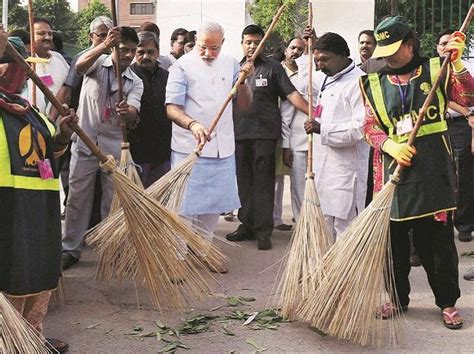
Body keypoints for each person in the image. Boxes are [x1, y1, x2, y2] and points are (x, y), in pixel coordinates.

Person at [360, 16, 474, 329]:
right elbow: (369, 126)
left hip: (434, 171)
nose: (388, 56)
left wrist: (459, 64)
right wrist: (388, 146)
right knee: (394, 243)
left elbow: (468, 98)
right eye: (385, 50)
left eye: (395, 49)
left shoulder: (437, 69)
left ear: (410, 44)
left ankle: (448, 302)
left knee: (437, 242)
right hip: (394, 172)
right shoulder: (372, 82)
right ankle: (397, 298)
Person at [0, 36, 77, 353]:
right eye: (16, 66)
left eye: (23, 68)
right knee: (11, 275)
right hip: (8, 206)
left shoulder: (31, 109)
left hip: (41, 209)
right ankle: (7, 340)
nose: (21, 74)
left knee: (40, 275)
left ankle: (31, 337)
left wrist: (63, 134)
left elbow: (51, 152)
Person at [166, 21, 253, 271]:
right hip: (189, 146)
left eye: (214, 48)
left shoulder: (230, 63)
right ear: (196, 42)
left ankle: (204, 250)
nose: (208, 53)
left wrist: (244, 82)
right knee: (184, 206)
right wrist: (192, 124)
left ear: (223, 44)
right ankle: (178, 257)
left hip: (222, 145)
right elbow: (171, 107)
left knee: (213, 204)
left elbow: (245, 106)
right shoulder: (182, 66)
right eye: (204, 47)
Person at [61, 26, 143, 270]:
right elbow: (79, 67)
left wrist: (127, 112)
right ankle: (70, 249)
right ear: (114, 47)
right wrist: (104, 46)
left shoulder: (135, 81)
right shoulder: (98, 62)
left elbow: (134, 112)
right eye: (124, 50)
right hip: (85, 142)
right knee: (77, 199)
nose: (128, 55)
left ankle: (110, 249)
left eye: (132, 51)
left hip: (113, 148)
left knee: (112, 201)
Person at [227, 24, 308, 250]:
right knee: (244, 183)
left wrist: (313, 111)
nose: (252, 46)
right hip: (238, 134)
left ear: (263, 43)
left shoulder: (274, 68)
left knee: (263, 183)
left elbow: (291, 94)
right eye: (248, 42)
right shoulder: (234, 68)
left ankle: (264, 230)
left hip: (264, 135)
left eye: (257, 42)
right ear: (242, 43)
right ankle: (246, 225)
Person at [301, 31, 369, 239]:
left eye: (325, 60)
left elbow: (360, 128)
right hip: (323, 167)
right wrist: (307, 49)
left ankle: (344, 271)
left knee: (345, 225)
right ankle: (325, 270)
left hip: (346, 169)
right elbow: (303, 85)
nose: (320, 65)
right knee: (324, 224)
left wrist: (323, 129)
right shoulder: (325, 78)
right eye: (317, 60)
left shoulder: (360, 82)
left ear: (343, 55)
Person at [436, 29, 474, 243]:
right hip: (437, 126)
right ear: (437, 47)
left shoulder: (463, 69)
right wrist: (465, 111)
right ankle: (441, 222)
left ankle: (465, 224)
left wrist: (467, 113)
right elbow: (441, 98)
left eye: (450, 43)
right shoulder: (431, 70)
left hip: (459, 126)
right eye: (442, 43)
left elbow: (469, 95)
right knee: (440, 173)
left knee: (463, 173)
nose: (446, 47)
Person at [130, 31, 171, 187]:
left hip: (163, 150)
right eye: (141, 52)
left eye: (150, 52)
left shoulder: (167, 77)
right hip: (137, 151)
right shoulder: (128, 75)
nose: (145, 56)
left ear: (158, 53)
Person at [281, 37, 307, 221]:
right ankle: (301, 223)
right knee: (299, 187)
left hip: (321, 143)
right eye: (293, 48)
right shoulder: (294, 83)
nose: (296, 52)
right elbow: (286, 115)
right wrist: (286, 144)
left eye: (302, 50)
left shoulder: (321, 78)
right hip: (297, 142)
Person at [25, 18, 69, 115]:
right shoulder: (24, 62)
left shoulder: (59, 60)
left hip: (58, 124)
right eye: (41, 33)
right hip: (30, 122)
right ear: (30, 36)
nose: (47, 37)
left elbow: (68, 90)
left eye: (50, 34)